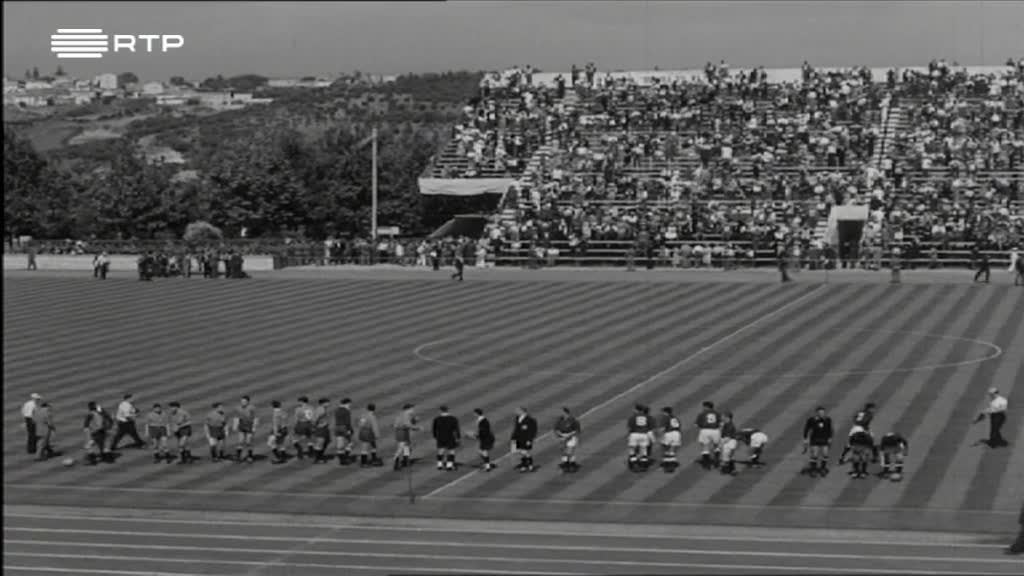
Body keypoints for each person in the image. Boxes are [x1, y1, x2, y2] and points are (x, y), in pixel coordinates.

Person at [802, 406, 834, 477]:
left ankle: (823, 469)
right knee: (815, 455)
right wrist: (805, 439)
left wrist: (830, 438)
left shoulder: (827, 419)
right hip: (815, 439)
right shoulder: (811, 420)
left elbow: (830, 430)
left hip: (824, 439)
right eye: (820, 413)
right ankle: (813, 470)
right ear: (817, 413)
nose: (822, 414)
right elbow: (806, 429)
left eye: (823, 412)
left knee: (825, 454)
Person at [431, 405, 460, 471]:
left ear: (440, 410)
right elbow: (456, 429)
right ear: (448, 410)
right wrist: (458, 437)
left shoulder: (437, 419)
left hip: (440, 437)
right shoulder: (453, 418)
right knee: (451, 451)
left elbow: (434, 429)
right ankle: (449, 465)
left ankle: (439, 465)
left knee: (440, 450)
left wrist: (435, 436)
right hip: (450, 437)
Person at [695, 401, 722, 470]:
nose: (703, 408)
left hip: (705, 430)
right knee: (716, 446)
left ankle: (706, 464)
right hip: (716, 431)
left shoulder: (702, 413)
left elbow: (696, 425)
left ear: (706, 406)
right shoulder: (717, 413)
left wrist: (701, 428)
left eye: (704, 406)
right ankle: (716, 460)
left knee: (705, 447)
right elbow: (721, 424)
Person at [627, 404, 655, 472]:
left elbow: (630, 427)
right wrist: (652, 438)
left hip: (635, 434)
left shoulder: (633, 417)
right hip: (644, 435)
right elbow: (650, 428)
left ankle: (634, 465)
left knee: (632, 450)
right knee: (644, 451)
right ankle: (644, 466)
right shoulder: (647, 417)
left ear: (637, 410)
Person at [510, 406, 538, 473]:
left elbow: (533, 431)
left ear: (522, 411)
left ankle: (530, 466)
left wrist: (529, 440)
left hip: (525, 439)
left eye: (517, 411)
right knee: (519, 452)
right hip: (517, 438)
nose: (516, 412)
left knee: (524, 452)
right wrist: (513, 437)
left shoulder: (530, 420)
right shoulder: (517, 418)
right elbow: (516, 428)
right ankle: (524, 466)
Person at [554, 407, 581, 473]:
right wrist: (561, 435)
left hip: (571, 438)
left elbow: (577, 430)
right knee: (564, 452)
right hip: (562, 437)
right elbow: (556, 429)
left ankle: (570, 465)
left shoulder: (573, 420)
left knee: (569, 452)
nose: (560, 414)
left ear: (565, 413)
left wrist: (568, 435)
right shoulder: (559, 420)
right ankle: (567, 464)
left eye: (561, 413)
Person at [393, 403, 419, 470]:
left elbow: (409, 423)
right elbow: (408, 425)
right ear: (408, 409)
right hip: (401, 432)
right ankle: (396, 463)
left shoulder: (404, 414)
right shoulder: (405, 415)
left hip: (403, 431)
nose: (413, 410)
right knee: (401, 448)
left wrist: (414, 421)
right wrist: (417, 428)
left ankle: (405, 460)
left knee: (407, 447)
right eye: (412, 409)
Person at [233, 395, 257, 464]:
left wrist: (254, 427)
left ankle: (250, 456)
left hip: (249, 426)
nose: (242, 402)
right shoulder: (238, 408)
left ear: (248, 402)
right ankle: (238, 456)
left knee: (248, 442)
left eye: (244, 401)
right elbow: (236, 417)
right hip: (242, 425)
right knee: (240, 441)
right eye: (242, 401)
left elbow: (256, 418)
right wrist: (235, 425)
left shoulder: (252, 408)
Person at [659, 407, 683, 472]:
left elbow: (662, 429)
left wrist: (661, 436)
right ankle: (672, 466)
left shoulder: (665, 417)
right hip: (677, 434)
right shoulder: (675, 418)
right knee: (672, 450)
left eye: (663, 412)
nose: (662, 413)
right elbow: (679, 426)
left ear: (665, 412)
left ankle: (666, 465)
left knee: (665, 449)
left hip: (669, 433)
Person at [334, 397, 354, 465]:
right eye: (349, 404)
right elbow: (347, 422)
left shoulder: (337, 410)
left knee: (340, 445)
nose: (350, 405)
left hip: (337, 428)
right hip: (344, 428)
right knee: (350, 443)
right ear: (347, 403)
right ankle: (345, 457)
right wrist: (349, 430)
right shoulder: (346, 411)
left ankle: (341, 460)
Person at [312, 398, 332, 463]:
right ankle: (317, 459)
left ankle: (320, 456)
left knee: (326, 441)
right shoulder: (320, 410)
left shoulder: (323, 409)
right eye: (327, 402)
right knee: (320, 443)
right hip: (321, 429)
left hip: (324, 428)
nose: (329, 404)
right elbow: (314, 420)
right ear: (323, 403)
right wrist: (315, 427)